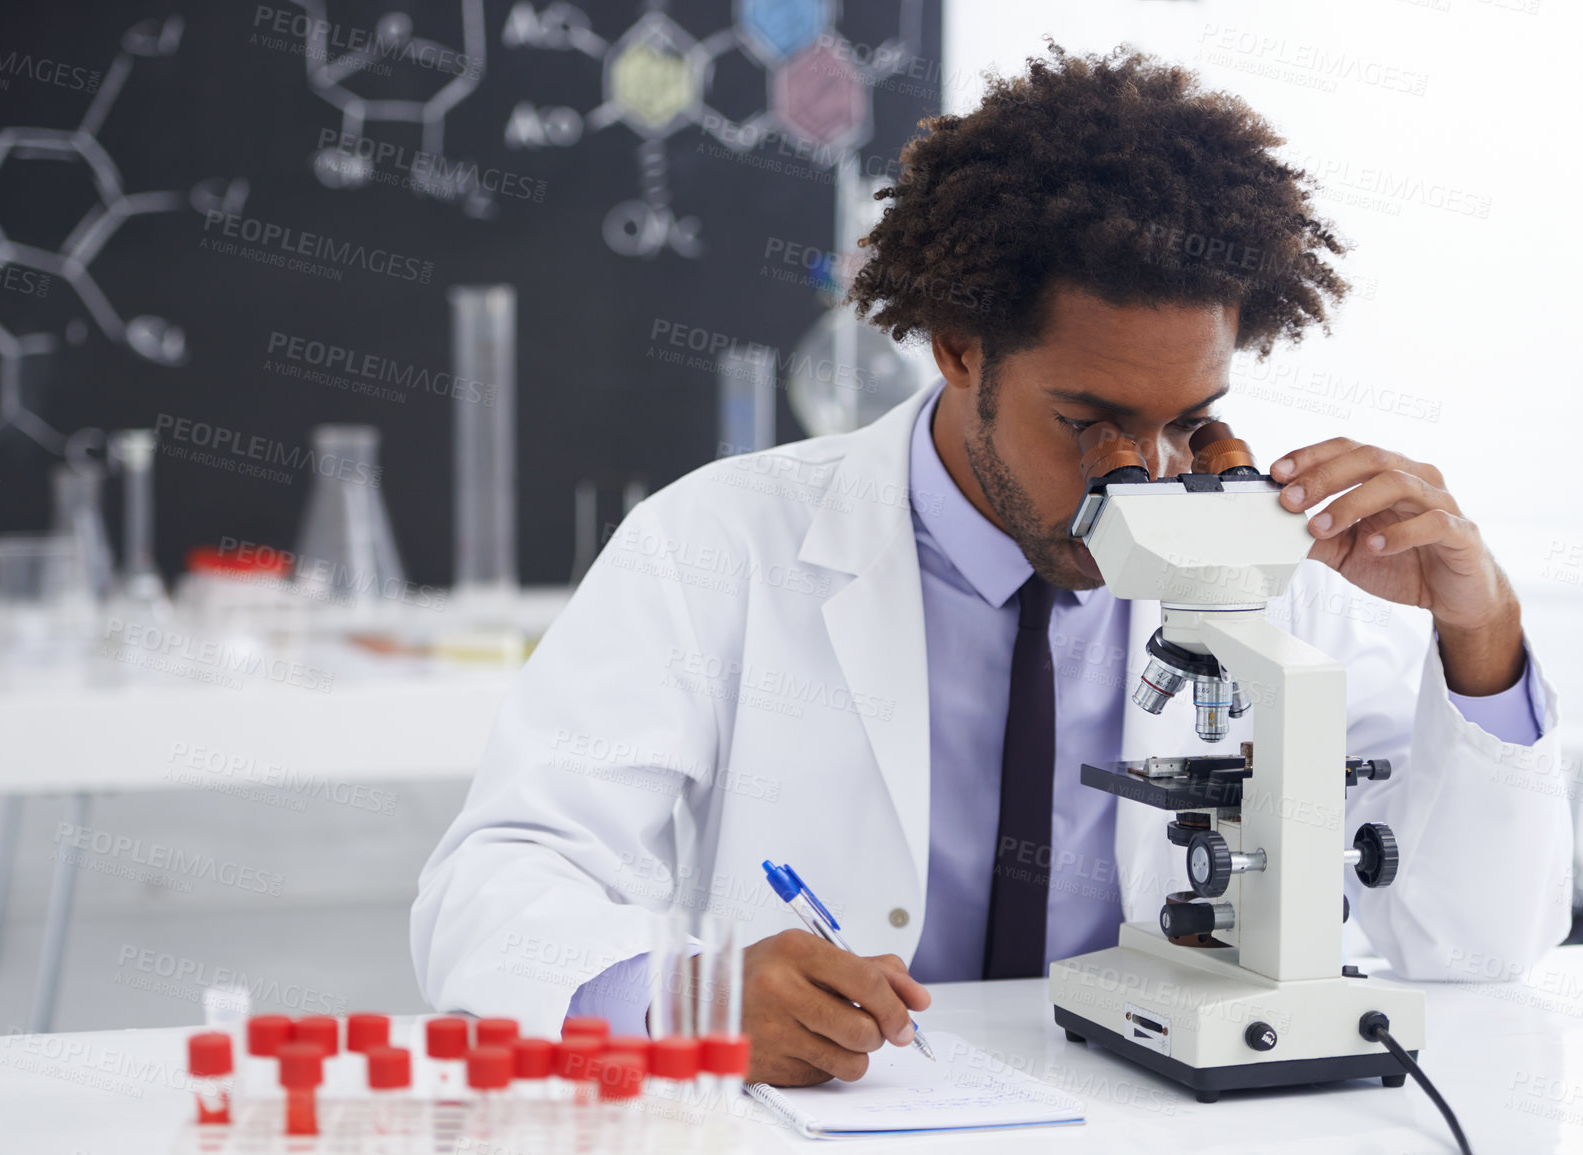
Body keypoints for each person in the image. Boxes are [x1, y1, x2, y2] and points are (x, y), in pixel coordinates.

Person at [412, 45, 1569, 1087]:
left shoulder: (1276, 566)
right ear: (961, 350)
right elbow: (495, 886)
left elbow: (1472, 945)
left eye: (1192, 421)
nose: (1151, 477)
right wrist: (685, 996)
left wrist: (1480, 638)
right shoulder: (716, 545)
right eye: (1091, 423)